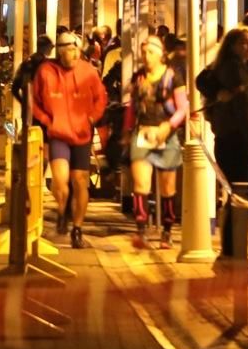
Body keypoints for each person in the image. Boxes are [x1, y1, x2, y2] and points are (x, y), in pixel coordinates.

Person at [31, 28, 109, 248]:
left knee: (80, 181)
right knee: (61, 183)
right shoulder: (46, 71)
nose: (75, 55)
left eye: (77, 50)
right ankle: (63, 206)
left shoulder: (88, 71)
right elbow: (34, 100)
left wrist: (92, 118)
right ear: (60, 51)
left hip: (82, 134)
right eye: (70, 50)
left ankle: (77, 228)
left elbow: (100, 98)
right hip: (58, 134)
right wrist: (47, 120)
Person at [198, 26, 248, 261]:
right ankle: (233, 249)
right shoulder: (233, 69)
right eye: (243, 43)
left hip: (229, 139)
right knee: (244, 197)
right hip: (237, 141)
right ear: (232, 46)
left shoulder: (238, 68)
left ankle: (232, 248)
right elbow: (243, 111)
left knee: (238, 196)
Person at [122, 31, 188, 246]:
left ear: (160, 54)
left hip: (166, 135)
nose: (146, 56)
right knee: (140, 183)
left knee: (168, 187)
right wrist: (127, 129)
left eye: (150, 52)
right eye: (144, 52)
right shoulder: (138, 76)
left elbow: (183, 108)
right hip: (142, 133)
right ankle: (141, 228)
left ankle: (167, 230)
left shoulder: (173, 76)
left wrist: (168, 126)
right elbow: (132, 107)